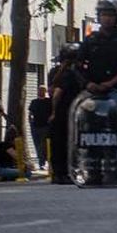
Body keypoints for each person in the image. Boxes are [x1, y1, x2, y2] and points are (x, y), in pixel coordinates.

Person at [47, 44, 82, 184]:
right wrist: (54, 112)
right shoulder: (71, 73)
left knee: (58, 144)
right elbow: (57, 94)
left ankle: (58, 173)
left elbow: (51, 91)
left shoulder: (54, 72)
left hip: (61, 113)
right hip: (67, 112)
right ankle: (64, 173)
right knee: (67, 143)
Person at [27, 86, 52, 170]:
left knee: (43, 145)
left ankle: (43, 162)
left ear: (45, 92)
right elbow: (30, 113)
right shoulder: (34, 102)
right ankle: (41, 162)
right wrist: (30, 122)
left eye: (42, 90)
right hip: (35, 126)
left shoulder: (49, 101)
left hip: (45, 126)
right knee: (37, 144)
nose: (40, 92)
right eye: (39, 90)